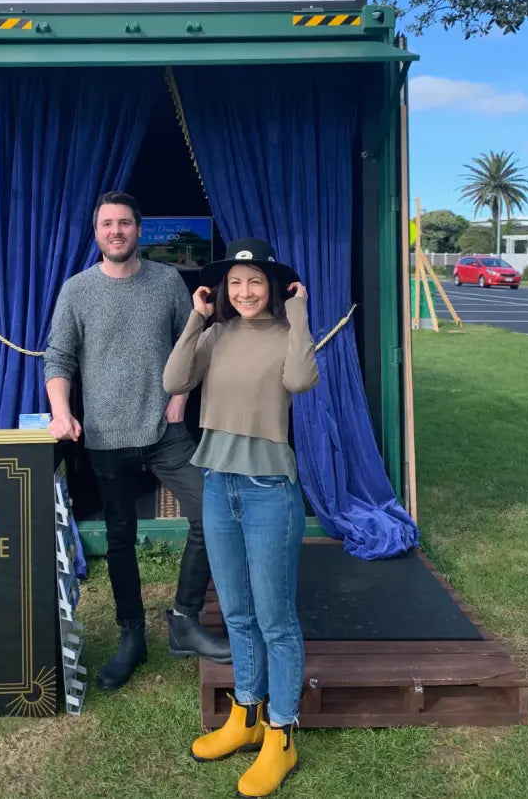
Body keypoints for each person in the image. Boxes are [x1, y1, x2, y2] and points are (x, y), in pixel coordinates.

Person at [44, 191, 231, 691]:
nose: (117, 231)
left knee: (210, 513)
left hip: (167, 429)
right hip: (105, 435)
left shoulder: (167, 281)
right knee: (121, 537)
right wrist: (61, 413)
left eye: (125, 223)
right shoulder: (77, 291)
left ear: (139, 230)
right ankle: (132, 635)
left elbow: (189, 344)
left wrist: (181, 398)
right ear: (96, 231)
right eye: (107, 224)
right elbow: (58, 360)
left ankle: (185, 620)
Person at [163, 238, 319, 799]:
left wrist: (299, 312)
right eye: (235, 283)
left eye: (255, 282)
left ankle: (282, 733)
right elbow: (174, 381)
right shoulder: (217, 334)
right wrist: (195, 319)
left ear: (273, 287)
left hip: (268, 489)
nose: (245, 291)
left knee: (274, 617)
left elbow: (300, 381)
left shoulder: (287, 335)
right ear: (223, 289)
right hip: (217, 482)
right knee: (236, 613)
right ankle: (246, 715)